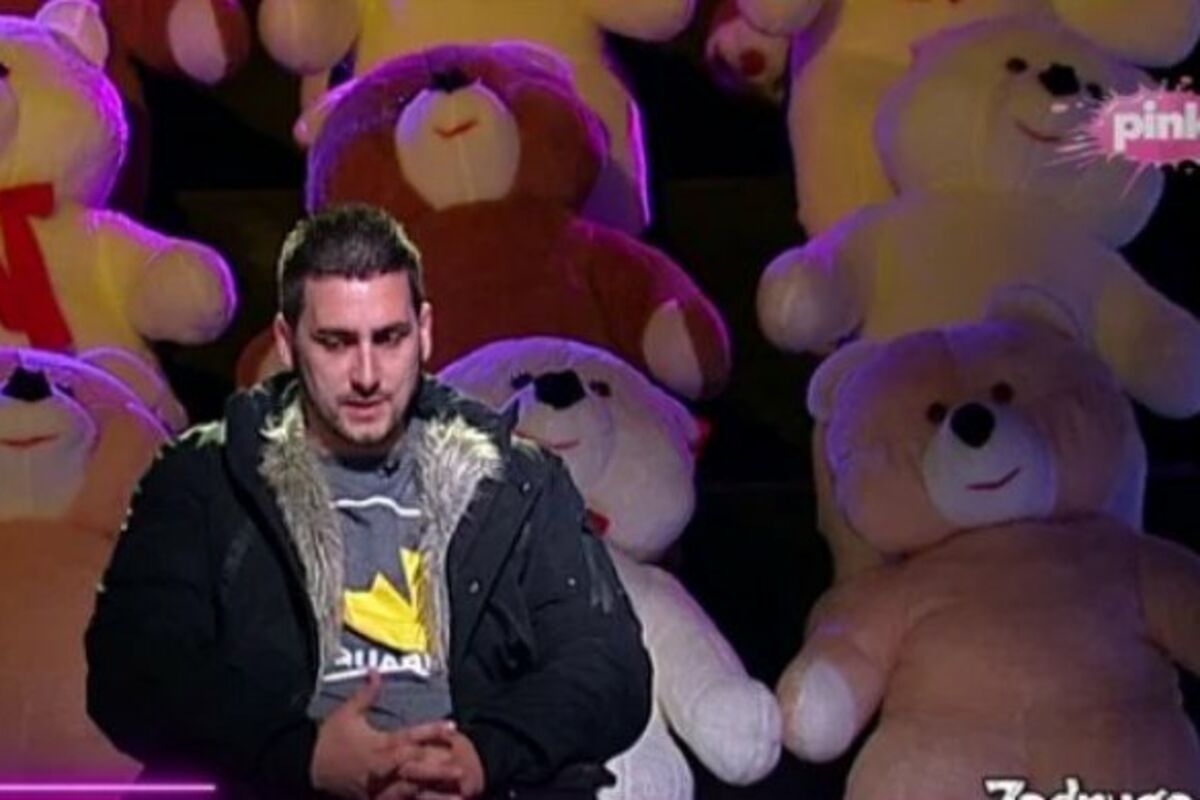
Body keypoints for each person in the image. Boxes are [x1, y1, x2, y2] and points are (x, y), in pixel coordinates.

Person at [85, 204, 653, 799]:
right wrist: (303, 756)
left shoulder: (518, 481)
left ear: (424, 331)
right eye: (335, 342)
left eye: (389, 338)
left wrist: (482, 754)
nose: (366, 374)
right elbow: (134, 673)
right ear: (286, 342)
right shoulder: (203, 477)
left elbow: (607, 666)